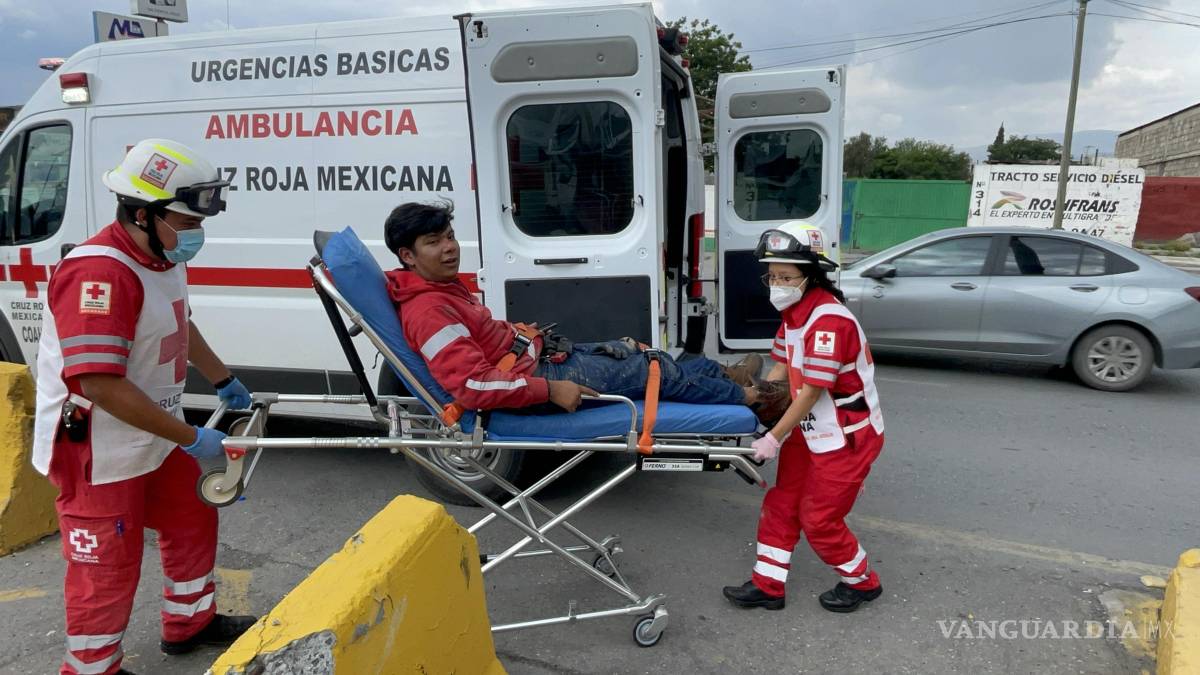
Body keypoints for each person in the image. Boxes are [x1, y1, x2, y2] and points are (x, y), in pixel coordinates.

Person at [32, 139, 257, 675]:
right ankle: (91, 668)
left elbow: (181, 324)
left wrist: (224, 378)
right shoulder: (100, 274)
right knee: (105, 566)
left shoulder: (157, 256)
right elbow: (100, 385)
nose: (196, 232)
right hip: (96, 447)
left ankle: (189, 623)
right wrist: (191, 437)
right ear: (141, 213)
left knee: (194, 511)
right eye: (184, 219)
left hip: (152, 431)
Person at [381, 200, 790, 419]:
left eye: (450, 236)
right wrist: (551, 389)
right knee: (655, 371)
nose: (449, 247)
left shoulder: (442, 290)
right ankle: (754, 399)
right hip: (537, 378)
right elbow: (474, 387)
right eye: (434, 241)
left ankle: (725, 374)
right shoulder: (429, 311)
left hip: (535, 357)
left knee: (646, 353)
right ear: (408, 256)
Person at [722, 220, 886, 614]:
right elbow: (781, 369)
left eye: (785, 276)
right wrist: (760, 399)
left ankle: (863, 582)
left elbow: (812, 389)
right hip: (809, 428)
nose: (776, 283)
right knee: (782, 504)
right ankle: (768, 585)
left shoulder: (828, 321)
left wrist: (773, 437)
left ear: (811, 276)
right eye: (772, 275)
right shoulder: (795, 314)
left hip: (846, 437)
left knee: (819, 518)